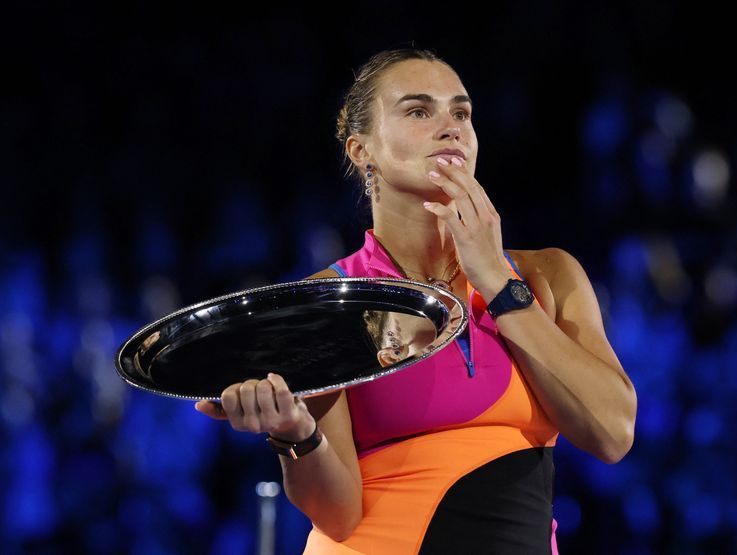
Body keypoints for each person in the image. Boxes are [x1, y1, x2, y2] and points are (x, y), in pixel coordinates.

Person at [195, 47, 637, 554]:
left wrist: (497, 281)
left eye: (461, 113)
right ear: (361, 150)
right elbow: (337, 515)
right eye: (419, 111)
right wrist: (295, 433)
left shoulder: (546, 275)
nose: (450, 128)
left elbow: (613, 432)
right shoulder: (329, 301)